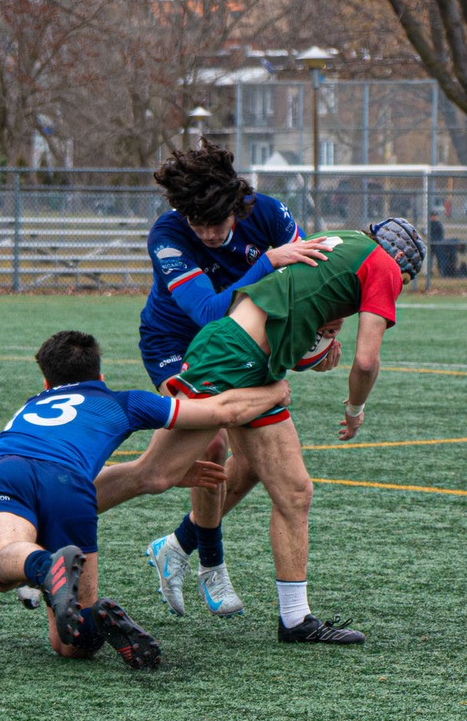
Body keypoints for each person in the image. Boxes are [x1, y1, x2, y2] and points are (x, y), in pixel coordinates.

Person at [95, 216, 427, 646]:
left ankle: (294, 619)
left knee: (294, 491)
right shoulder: (382, 265)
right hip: (232, 357)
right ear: (401, 260)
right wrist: (355, 408)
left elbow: (295, 312)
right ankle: (46, 520)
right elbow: (366, 361)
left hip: (254, 361)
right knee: (154, 474)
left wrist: (316, 342)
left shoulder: (341, 241)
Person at [0, 330, 290, 669]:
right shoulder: (126, 402)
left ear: (46, 383)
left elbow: (43, 461)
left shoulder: (32, 405)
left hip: (5, 471)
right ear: (101, 376)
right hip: (72, 488)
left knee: (2, 567)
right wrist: (275, 389)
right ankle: (93, 612)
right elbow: (222, 411)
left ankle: (46, 567)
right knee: (72, 644)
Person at [136, 141, 337, 618]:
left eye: (216, 223)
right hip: (179, 346)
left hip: (243, 350)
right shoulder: (166, 235)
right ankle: (212, 564)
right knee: (208, 448)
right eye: (196, 223)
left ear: (237, 207)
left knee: (257, 464)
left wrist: (328, 331)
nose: (206, 233)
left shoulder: (267, 213)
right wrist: (269, 261)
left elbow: (317, 272)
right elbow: (207, 313)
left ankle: (176, 545)